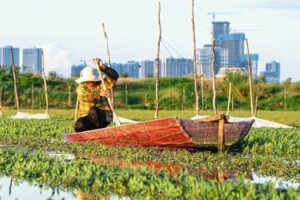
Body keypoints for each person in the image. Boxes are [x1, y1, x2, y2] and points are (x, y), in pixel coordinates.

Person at [74, 58, 119, 132]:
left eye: (92, 80)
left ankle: (98, 131)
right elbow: (84, 96)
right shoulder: (81, 87)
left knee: (93, 110)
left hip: (104, 116)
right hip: (87, 116)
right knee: (80, 125)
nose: (90, 82)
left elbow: (114, 76)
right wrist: (99, 94)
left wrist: (102, 67)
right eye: (88, 80)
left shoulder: (102, 84)